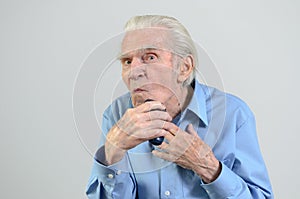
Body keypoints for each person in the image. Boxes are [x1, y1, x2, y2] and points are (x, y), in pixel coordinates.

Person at [86, 15, 273, 199]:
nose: (134, 72)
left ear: (184, 68)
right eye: (127, 61)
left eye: (150, 57)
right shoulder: (116, 114)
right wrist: (113, 151)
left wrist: (207, 167)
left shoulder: (233, 114)